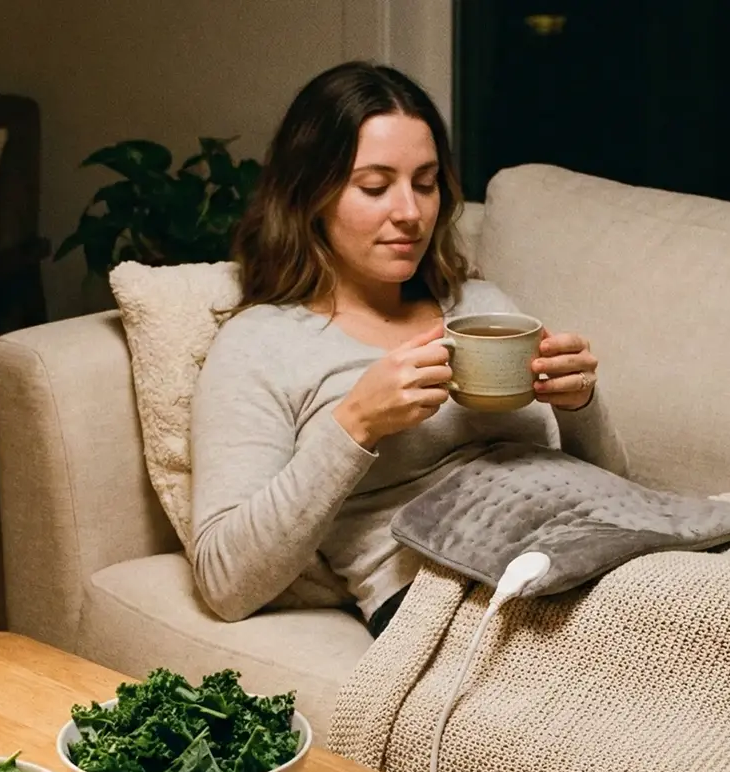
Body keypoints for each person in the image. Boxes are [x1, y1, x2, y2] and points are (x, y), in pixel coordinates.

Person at [190, 61, 628, 636]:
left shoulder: (481, 305)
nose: (410, 213)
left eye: (425, 183)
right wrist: (355, 424)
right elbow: (225, 583)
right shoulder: (262, 344)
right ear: (310, 194)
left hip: (590, 549)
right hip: (450, 593)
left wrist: (579, 404)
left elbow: (616, 493)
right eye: (375, 187)